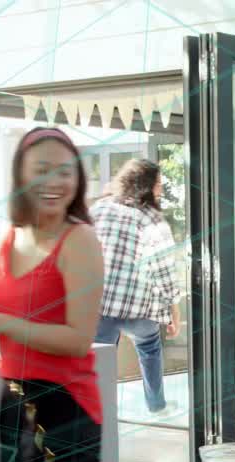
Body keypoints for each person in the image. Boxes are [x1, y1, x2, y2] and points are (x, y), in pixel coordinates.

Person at [0, 126, 105, 462]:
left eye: (65, 172)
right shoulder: (3, 239)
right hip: (12, 404)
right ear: (20, 176)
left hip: (66, 407)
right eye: (41, 170)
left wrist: (2, 323)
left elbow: (78, 341)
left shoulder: (80, 240)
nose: (53, 182)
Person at [91, 158, 183, 417]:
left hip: (101, 305)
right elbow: (164, 270)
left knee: (100, 361)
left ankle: (101, 414)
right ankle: (156, 405)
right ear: (145, 186)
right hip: (139, 309)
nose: (160, 190)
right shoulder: (152, 219)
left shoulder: (100, 209)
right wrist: (174, 310)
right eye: (158, 184)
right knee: (149, 348)